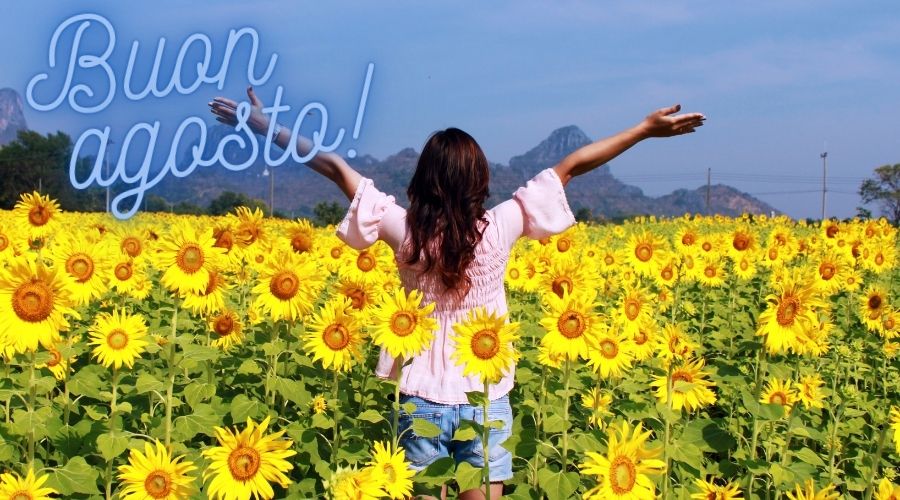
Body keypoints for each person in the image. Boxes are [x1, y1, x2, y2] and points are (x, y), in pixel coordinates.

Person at [210, 87, 704, 499]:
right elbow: (572, 164)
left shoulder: (401, 229)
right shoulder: (502, 225)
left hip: (421, 394)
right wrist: (643, 130)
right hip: (485, 393)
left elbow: (335, 166)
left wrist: (260, 123)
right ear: (479, 179)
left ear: (423, 178)